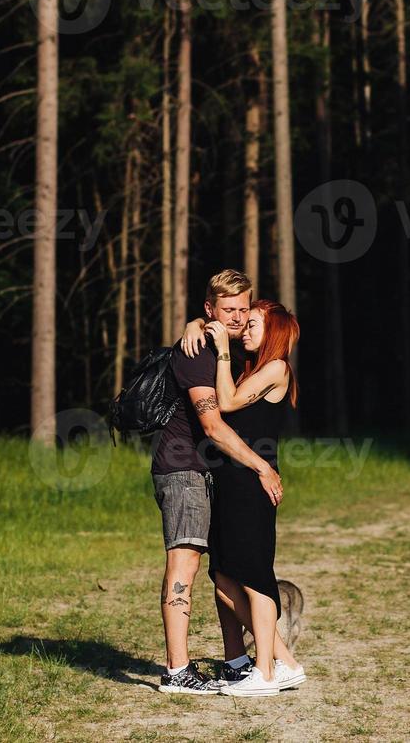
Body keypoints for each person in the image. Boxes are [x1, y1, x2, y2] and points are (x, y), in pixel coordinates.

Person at [153, 269, 284, 694]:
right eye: (228, 309)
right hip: (184, 469)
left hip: (212, 474)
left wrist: (200, 327)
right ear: (209, 310)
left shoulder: (231, 348)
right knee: (185, 563)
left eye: (244, 308)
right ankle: (178, 671)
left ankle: (235, 662)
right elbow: (213, 425)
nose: (238, 316)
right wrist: (262, 466)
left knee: (222, 572)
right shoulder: (196, 354)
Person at [200, 301, 305, 697]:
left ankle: (264, 671)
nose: (244, 329)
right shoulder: (253, 369)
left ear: (273, 330)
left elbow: (225, 403)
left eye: (254, 323)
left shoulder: (276, 368)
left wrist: (223, 350)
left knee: (255, 576)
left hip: (253, 486)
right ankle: (287, 663)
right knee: (224, 577)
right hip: (231, 482)